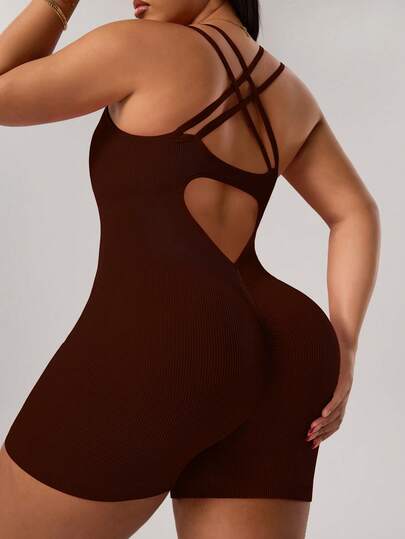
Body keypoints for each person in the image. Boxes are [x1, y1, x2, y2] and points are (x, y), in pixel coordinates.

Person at [0, 0, 380, 537]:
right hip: (288, 348)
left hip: (170, 338)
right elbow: (355, 211)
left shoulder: (137, 47)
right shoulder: (289, 90)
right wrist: (345, 345)